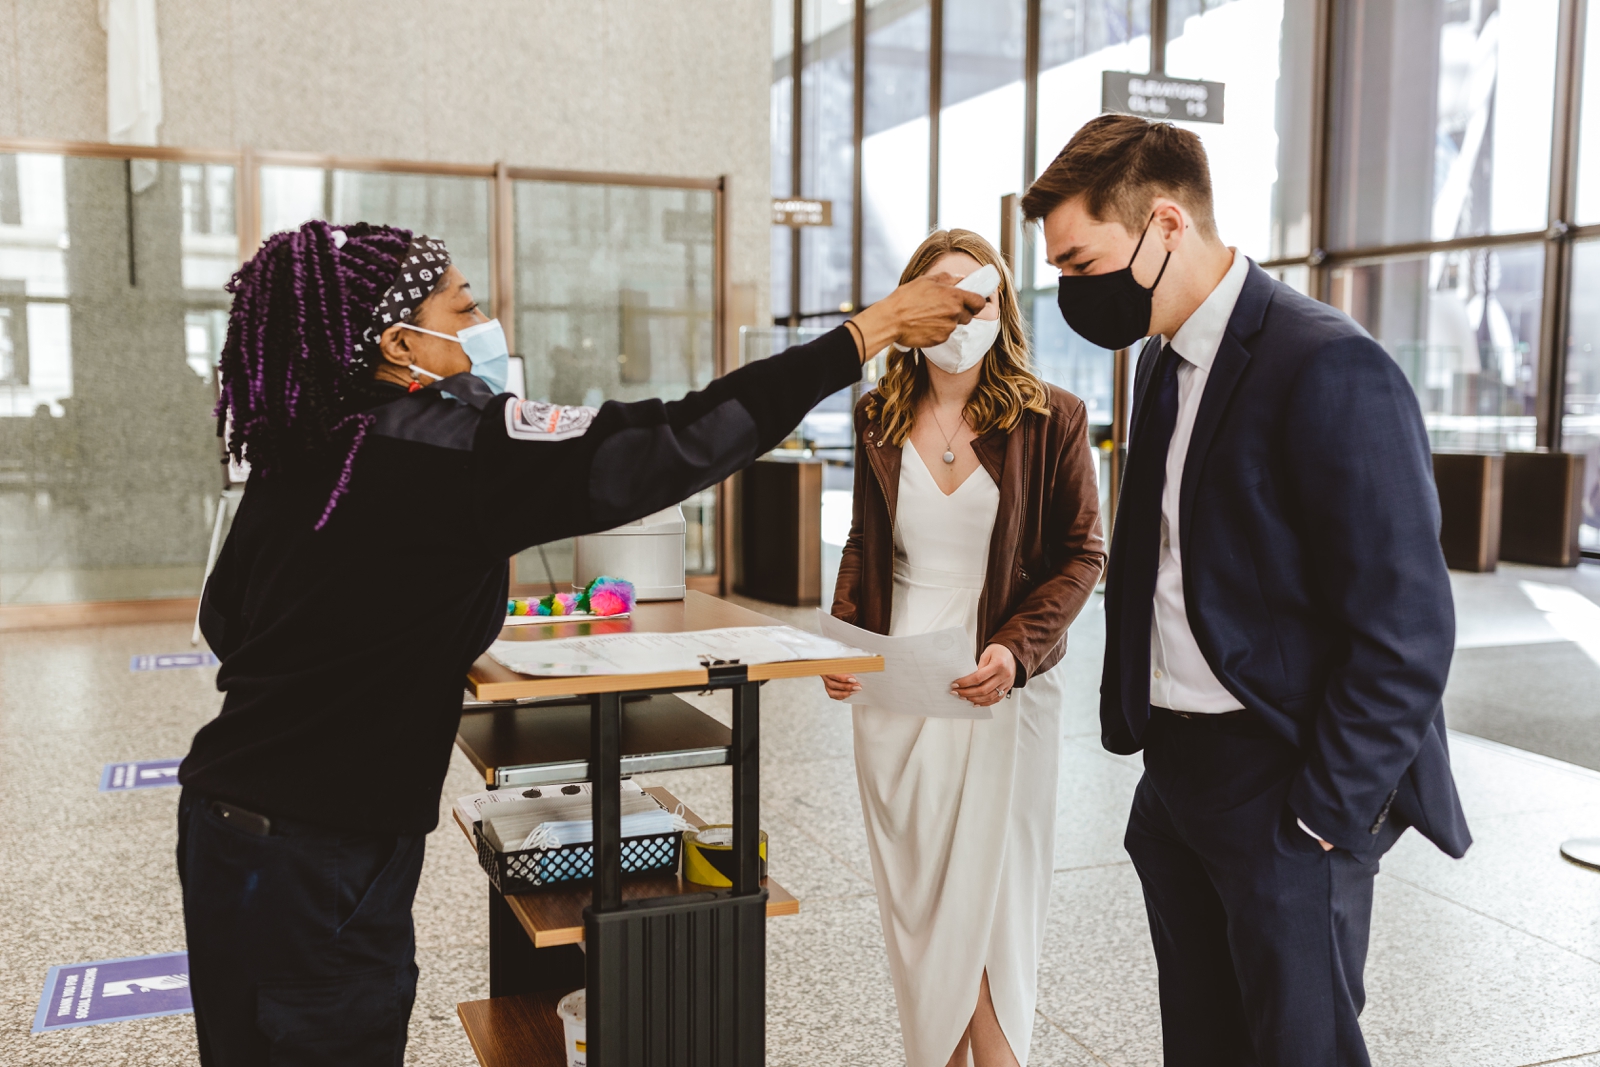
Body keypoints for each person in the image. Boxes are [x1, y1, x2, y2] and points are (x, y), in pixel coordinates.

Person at [176, 220, 986, 1067]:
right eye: (465, 304)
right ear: (396, 340)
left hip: (223, 830)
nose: (484, 321)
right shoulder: (454, 446)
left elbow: (230, 620)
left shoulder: (301, 449)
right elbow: (675, 440)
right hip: (324, 862)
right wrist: (870, 330)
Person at [1021, 114, 1472, 1066]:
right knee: (1204, 1043)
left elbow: (1409, 628)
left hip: (1286, 789)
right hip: (1180, 781)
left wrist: (1323, 814)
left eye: (1078, 260)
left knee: (1299, 1050)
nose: (1068, 289)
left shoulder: (1327, 363)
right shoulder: (1160, 360)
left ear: (1166, 224)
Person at [824, 229, 1106, 1067]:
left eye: (974, 295)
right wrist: (845, 637)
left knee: (990, 903)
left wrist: (1017, 651)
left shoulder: (1051, 416)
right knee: (923, 913)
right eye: (939, 294)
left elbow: (1082, 552)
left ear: (1002, 306)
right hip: (900, 682)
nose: (959, 312)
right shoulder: (878, 413)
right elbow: (864, 544)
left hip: (1000, 679)